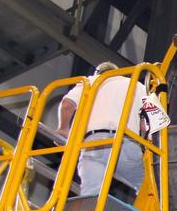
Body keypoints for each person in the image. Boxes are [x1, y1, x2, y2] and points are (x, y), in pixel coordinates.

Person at [56, 62, 148, 199]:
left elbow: (67, 105)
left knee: (90, 195)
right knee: (147, 188)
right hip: (126, 142)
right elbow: (145, 124)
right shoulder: (137, 86)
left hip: (92, 144)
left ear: (97, 73)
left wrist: (63, 129)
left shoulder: (91, 82)